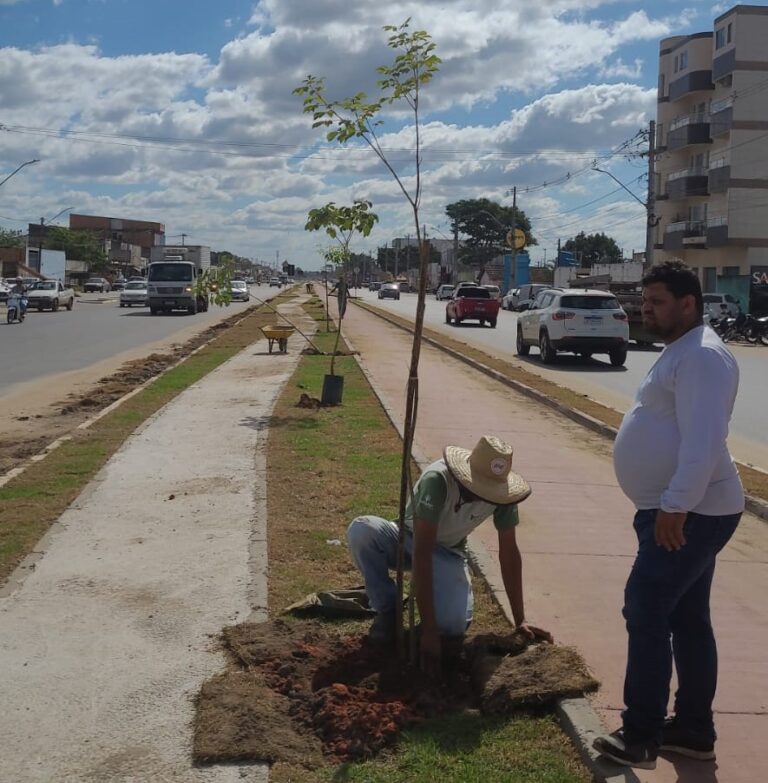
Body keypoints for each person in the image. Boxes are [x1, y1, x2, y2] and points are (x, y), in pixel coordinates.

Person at [593, 261, 744, 770]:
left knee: (646, 607)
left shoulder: (702, 357)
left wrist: (675, 505)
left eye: (656, 301)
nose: (645, 309)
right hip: (683, 509)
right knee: (687, 618)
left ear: (688, 304)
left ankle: (641, 734)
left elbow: (704, 442)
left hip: (690, 512)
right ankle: (694, 731)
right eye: (645, 300)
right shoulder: (681, 351)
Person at [347, 435, 552, 673]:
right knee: (362, 530)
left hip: (448, 551)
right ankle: (388, 609)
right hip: (407, 539)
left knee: (454, 625)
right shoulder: (438, 481)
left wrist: (520, 620)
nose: (483, 497)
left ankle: (415, 634)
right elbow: (422, 552)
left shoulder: (503, 495)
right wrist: (431, 632)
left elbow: (509, 553)